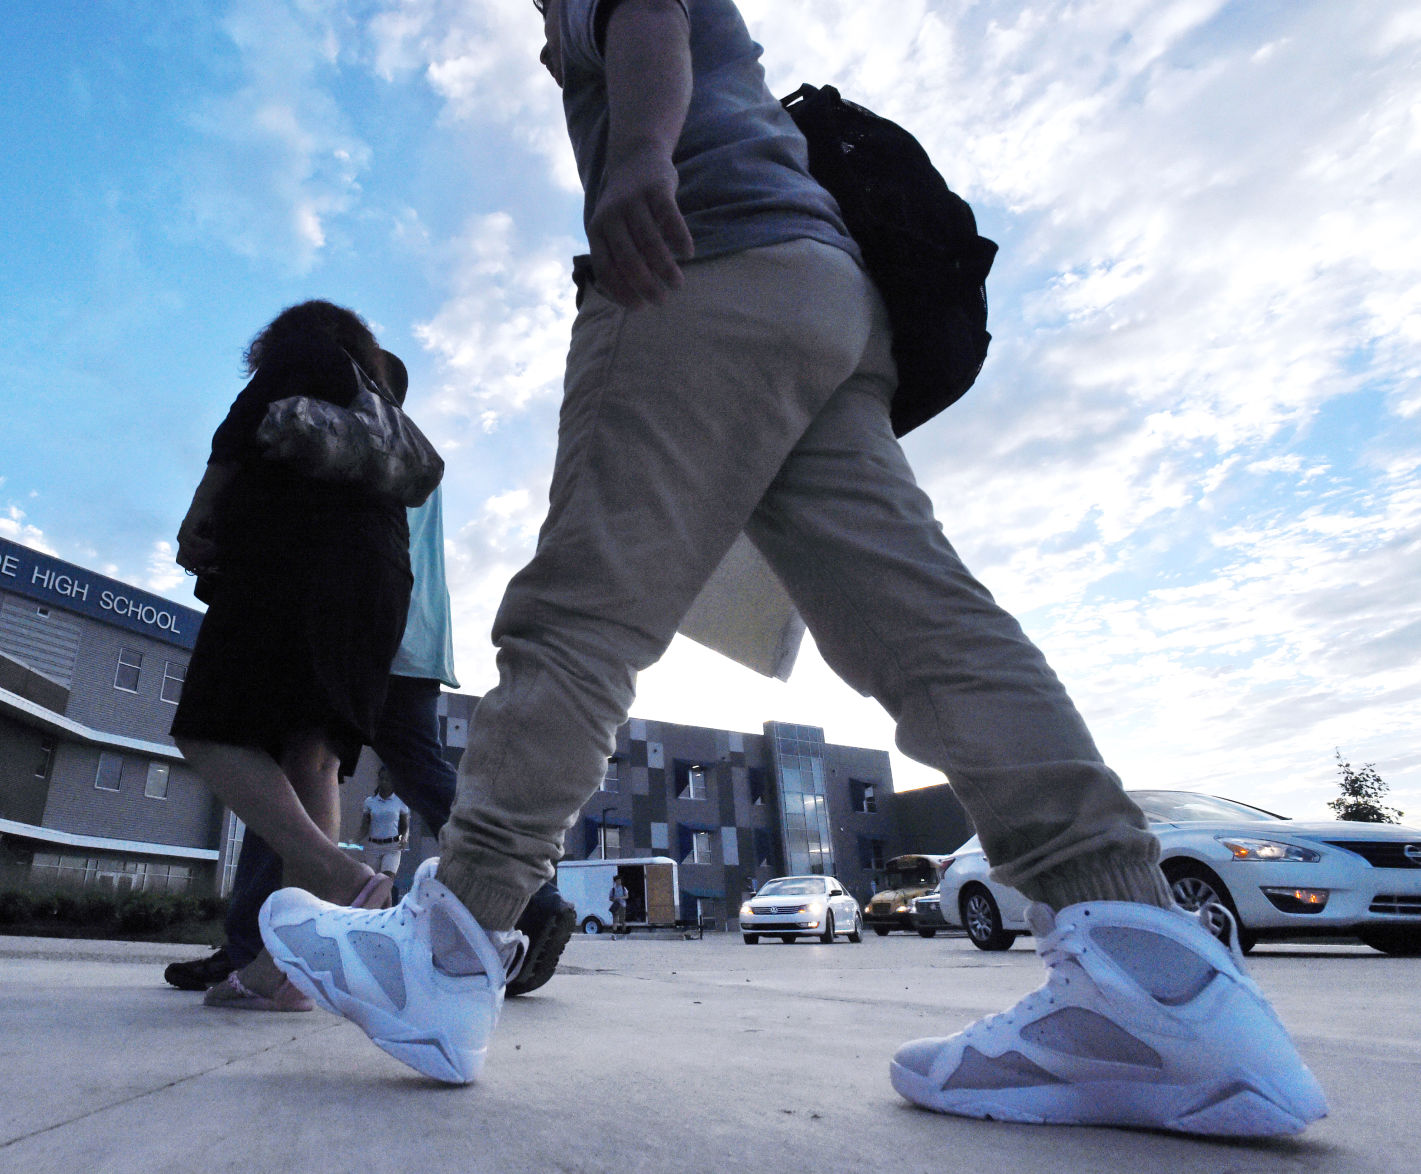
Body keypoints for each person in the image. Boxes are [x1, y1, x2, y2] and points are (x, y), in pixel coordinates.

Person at [257, 0, 1329, 1135]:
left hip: (697, 260)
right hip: (822, 291)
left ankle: (444, 950)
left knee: (578, 616)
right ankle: (1160, 989)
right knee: (933, 635)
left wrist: (635, 159)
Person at [163, 360, 577, 1005]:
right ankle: (260, 942)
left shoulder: (359, 443)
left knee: (298, 766)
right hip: (414, 634)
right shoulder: (411, 451)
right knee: (347, 767)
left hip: (368, 636)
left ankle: (261, 938)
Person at [168, 299, 422, 1011]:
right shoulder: (377, 399)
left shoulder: (307, 350)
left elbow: (238, 431)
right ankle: (282, 973)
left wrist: (198, 515)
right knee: (312, 757)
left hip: (294, 561)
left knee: (208, 729)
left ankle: (338, 876)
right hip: (377, 578)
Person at [357, 777, 410, 878]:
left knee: (387, 880)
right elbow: (365, 825)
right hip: (373, 846)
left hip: (392, 846)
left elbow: (405, 825)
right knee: (372, 880)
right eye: (381, 779)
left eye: (387, 780)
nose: (384, 782)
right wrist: (354, 840)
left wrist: (404, 838)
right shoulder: (370, 802)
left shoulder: (400, 802)